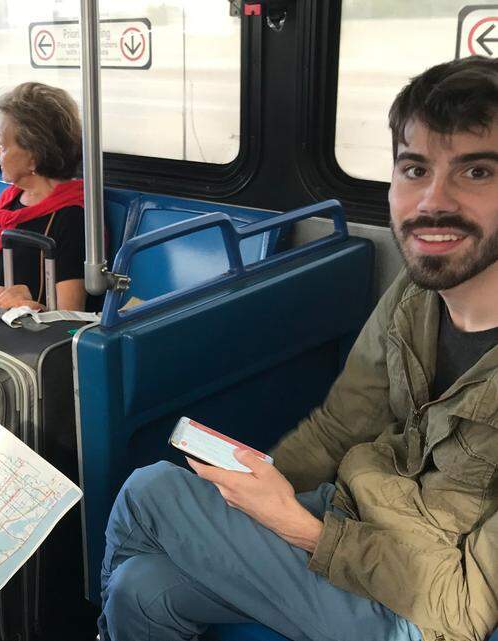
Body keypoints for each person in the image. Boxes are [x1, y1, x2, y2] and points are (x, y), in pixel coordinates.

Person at [97, 56, 498, 641]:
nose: (433, 201)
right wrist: (258, 490)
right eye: (415, 169)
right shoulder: (415, 296)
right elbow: (340, 427)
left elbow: (464, 610)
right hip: (360, 516)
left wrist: (296, 527)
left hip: (421, 605)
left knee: (151, 490)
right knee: (141, 590)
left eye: (477, 172)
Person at [0, 82, 91, 312]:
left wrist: (29, 308)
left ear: (34, 157)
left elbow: (70, 318)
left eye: (3, 145)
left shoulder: (71, 218)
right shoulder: (9, 201)